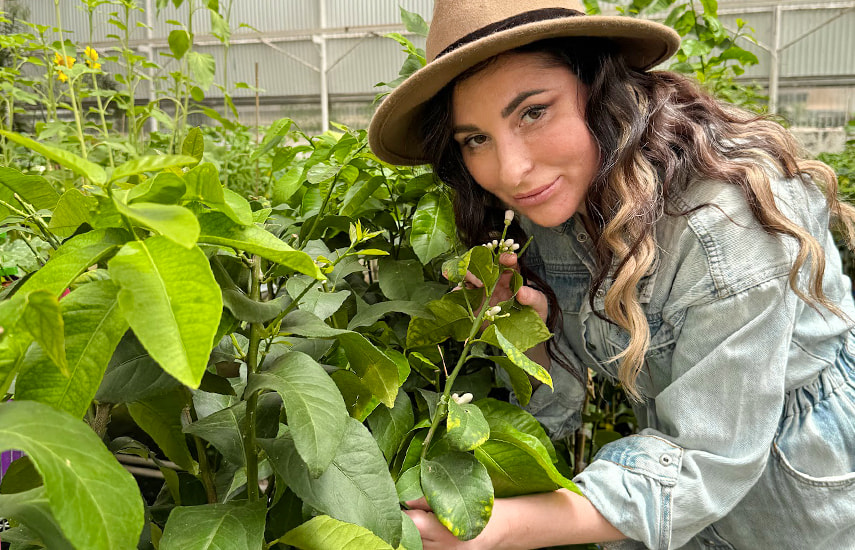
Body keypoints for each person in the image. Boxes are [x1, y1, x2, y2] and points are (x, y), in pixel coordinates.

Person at [368, 1, 855, 549]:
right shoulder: (560, 205)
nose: (510, 171)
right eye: (475, 139)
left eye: (532, 112)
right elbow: (562, 411)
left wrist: (500, 528)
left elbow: (710, 455)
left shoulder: (721, 221)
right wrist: (532, 336)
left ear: (598, 88)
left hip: (798, 497)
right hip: (669, 486)